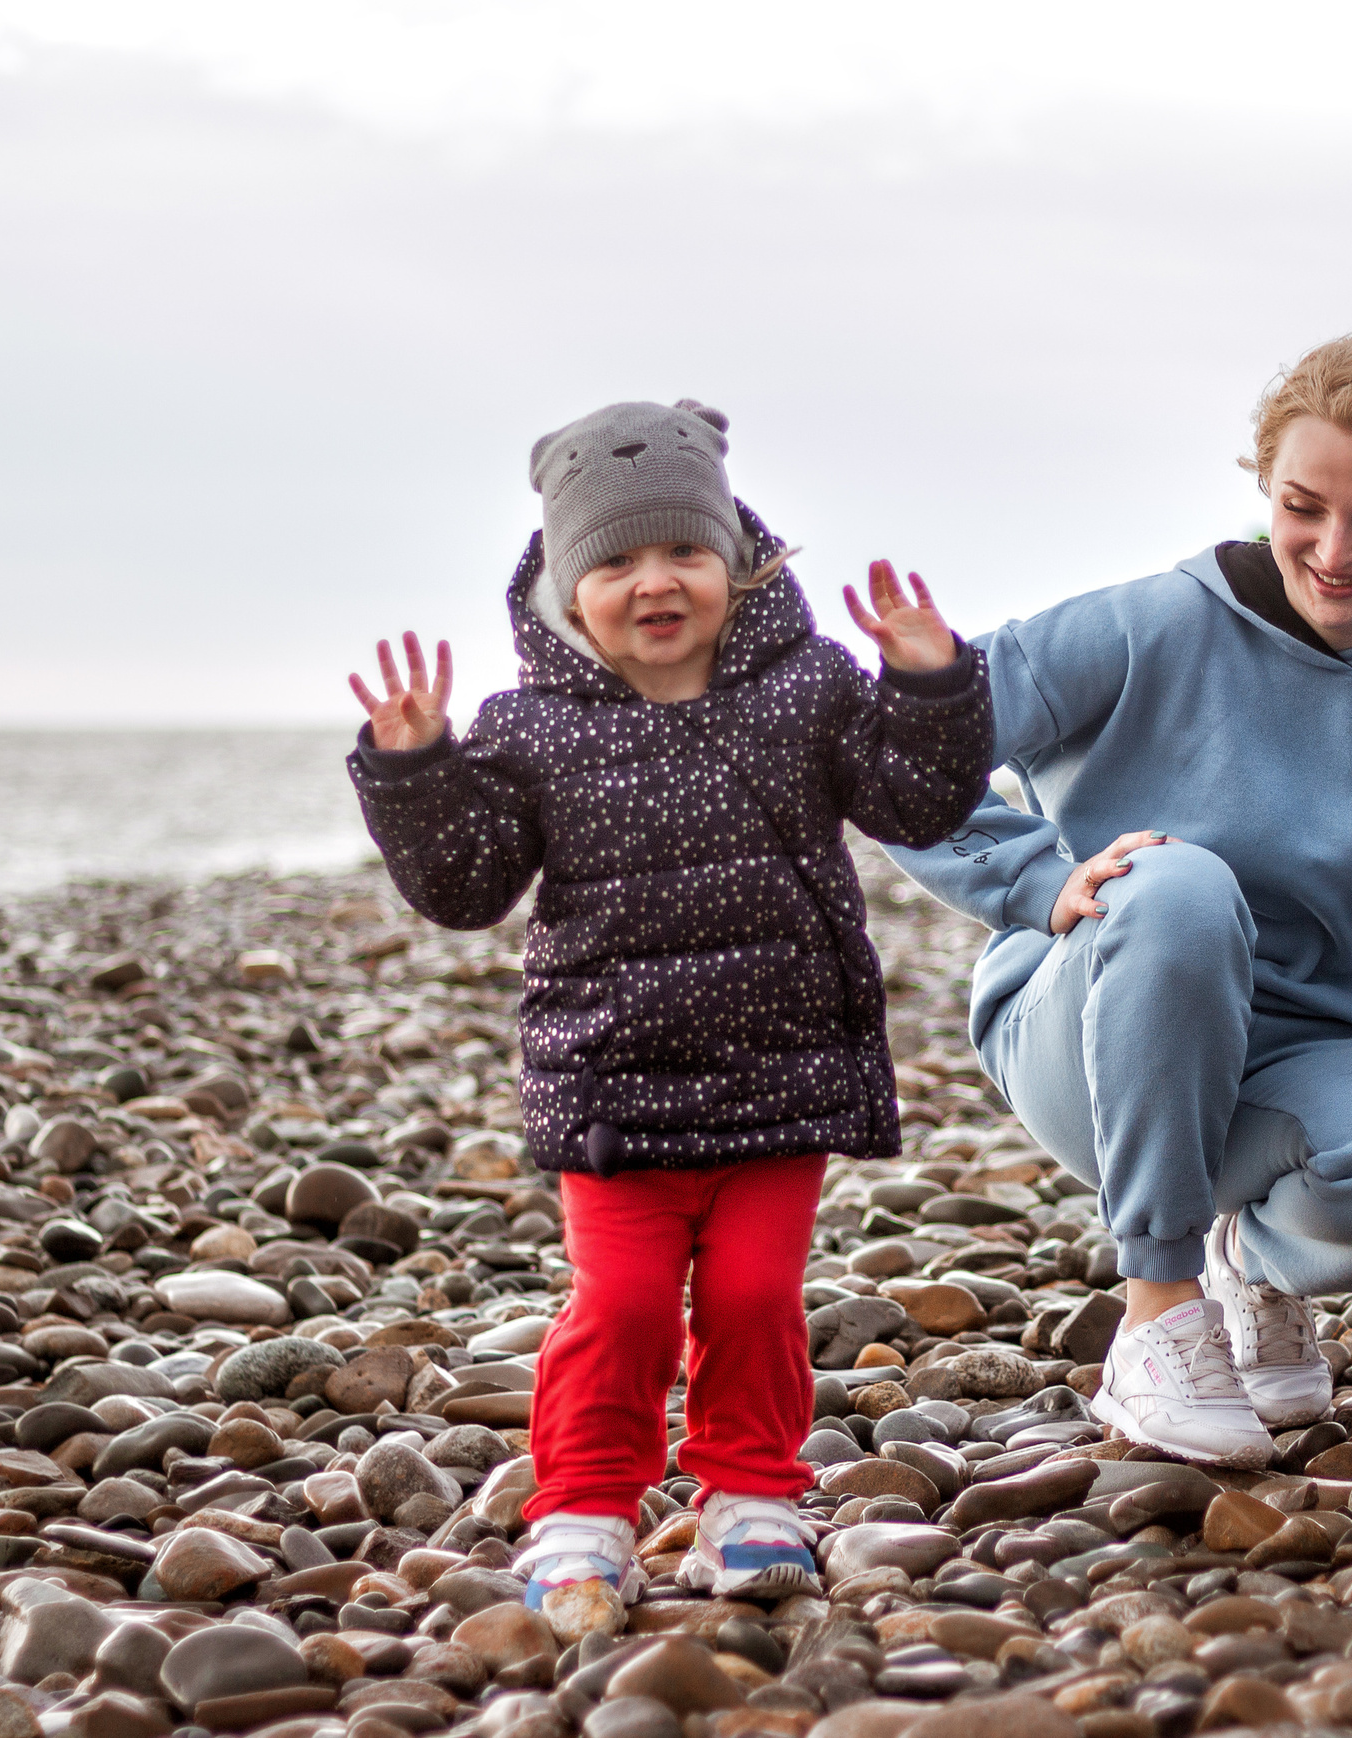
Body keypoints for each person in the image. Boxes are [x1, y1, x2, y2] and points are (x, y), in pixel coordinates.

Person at [341, 400, 993, 1631]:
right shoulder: (528, 728)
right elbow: (467, 887)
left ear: (738, 562)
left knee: (754, 1296)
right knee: (625, 1307)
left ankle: (752, 1495)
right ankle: (584, 1508)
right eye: (615, 561)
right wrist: (417, 770)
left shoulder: (806, 685)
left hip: (780, 1068)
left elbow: (913, 801)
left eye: (684, 551)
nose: (655, 581)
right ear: (561, 591)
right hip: (612, 1076)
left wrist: (929, 682)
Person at [885, 333, 1352, 1467]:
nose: (1335, 549)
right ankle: (1158, 1310)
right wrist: (1036, 880)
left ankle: (1248, 1265)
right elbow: (893, 753)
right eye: (1305, 506)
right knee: (1178, 883)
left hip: (1319, 1076)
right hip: (1097, 1044)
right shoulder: (1145, 625)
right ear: (1265, 488)